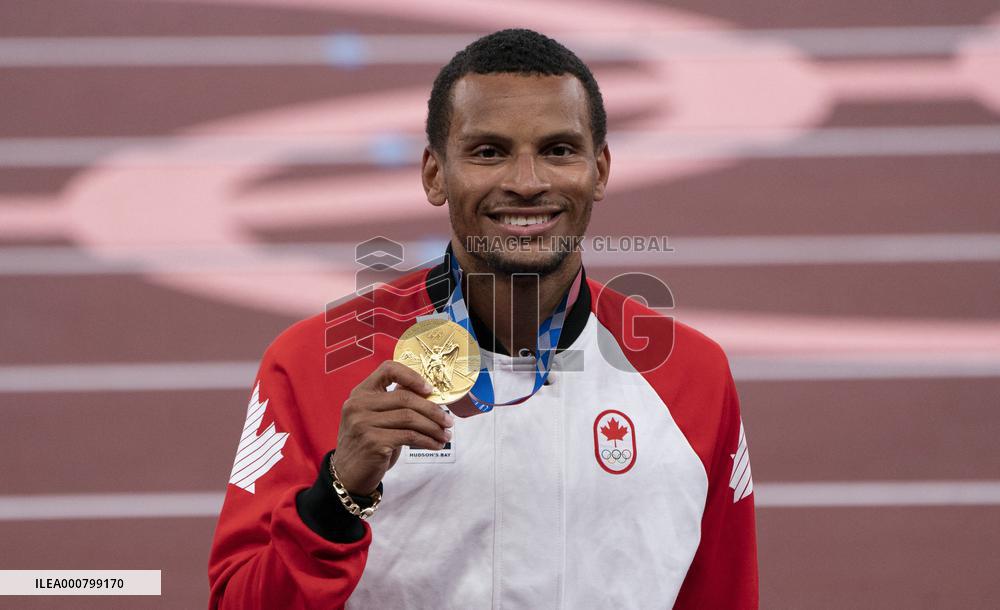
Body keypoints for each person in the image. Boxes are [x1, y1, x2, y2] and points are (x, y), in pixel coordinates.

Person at [208, 28, 757, 609]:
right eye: (488, 152)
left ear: (599, 170)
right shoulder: (314, 362)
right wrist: (338, 493)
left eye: (558, 150)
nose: (526, 183)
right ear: (435, 174)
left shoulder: (692, 375)